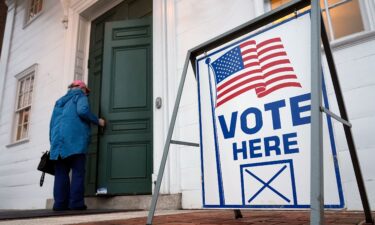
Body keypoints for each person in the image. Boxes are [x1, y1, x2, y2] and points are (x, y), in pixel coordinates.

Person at [49, 80, 105, 211]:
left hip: (58, 143)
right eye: (86, 90)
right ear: (80, 87)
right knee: (78, 172)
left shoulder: (59, 101)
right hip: (75, 141)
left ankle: (60, 204)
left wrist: (53, 143)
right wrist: (98, 121)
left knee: (61, 174)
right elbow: (82, 111)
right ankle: (76, 204)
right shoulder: (79, 96)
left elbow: (52, 124)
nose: (87, 94)